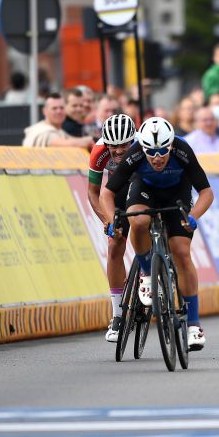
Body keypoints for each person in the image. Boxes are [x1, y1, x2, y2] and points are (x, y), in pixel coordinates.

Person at [100, 117, 214, 351]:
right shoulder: (136, 153)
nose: (158, 157)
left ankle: (193, 325)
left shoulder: (182, 150)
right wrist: (112, 220)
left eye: (163, 150)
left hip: (177, 192)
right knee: (138, 220)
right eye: (151, 152)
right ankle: (146, 272)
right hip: (145, 190)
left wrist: (194, 216)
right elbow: (107, 194)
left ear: (171, 145)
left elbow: (206, 192)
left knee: (182, 253)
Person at [85, 114, 137, 341]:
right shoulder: (99, 152)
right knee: (115, 244)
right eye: (113, 146)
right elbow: (93, 192)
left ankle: (148, 276)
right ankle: (117, 315)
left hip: (142, 187)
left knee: (141, 224)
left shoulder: (142, 147)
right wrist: (107, 220)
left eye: (124, 145)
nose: (118, 151)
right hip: (115, 192)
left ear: (133, 140)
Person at [22, 93, 94, 148]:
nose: (59, 111)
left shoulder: (60, 131)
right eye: (54, 108)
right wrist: (92, 140)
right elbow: (66, 144)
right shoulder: (41, 130)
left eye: (61, 108)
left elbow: (71, 139)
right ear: (44, 111)